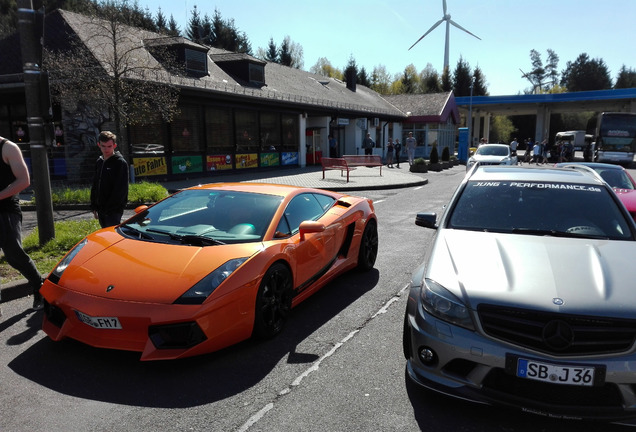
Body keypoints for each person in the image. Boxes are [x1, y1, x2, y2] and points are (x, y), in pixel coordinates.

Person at [0, 136, 43, 311]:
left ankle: (38, 286)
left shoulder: (8, 148)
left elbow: (24, 181)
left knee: (14, 255)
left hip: (5, 210)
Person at [90, 131, 129, 228]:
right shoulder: (99, 161)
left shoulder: (120, 163)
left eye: (109, 146)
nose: (106, 149)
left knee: (113, 235)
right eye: (103, 146)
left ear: (114, 146)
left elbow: (121, 189)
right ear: (99, 145)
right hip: (101, 208)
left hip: (113, 210)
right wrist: (94, 205)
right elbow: (95, 184)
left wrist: (110, 208)